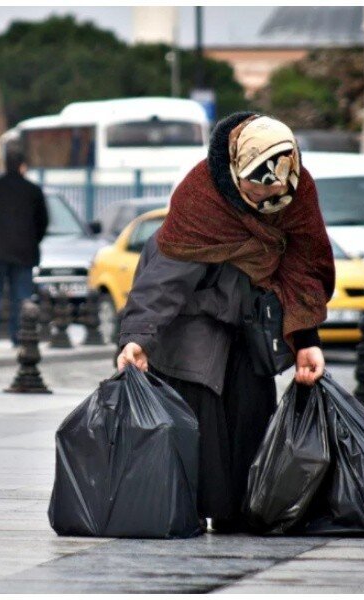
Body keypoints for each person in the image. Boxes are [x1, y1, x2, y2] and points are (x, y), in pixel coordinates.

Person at [115, 112, 336, 533]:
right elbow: (163, 278)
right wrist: (138, 337)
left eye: (274, 190)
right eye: (254, 187)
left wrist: (307, 339)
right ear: (236, 170)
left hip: (248, 329)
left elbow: (303, 266)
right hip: (190, 332)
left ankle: (240, 511)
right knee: (201, 427)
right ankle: (188, 512)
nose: (262, 199)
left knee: (251, 415)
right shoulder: (202, 200)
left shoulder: (299, 194)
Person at [0, 147, 49, 349]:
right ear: (23, 166)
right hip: (23, 252)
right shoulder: (32, 190)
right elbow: (43, 222)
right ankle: (20, 336)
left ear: (4, 164)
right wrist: (32, 241)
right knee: (21, 296)